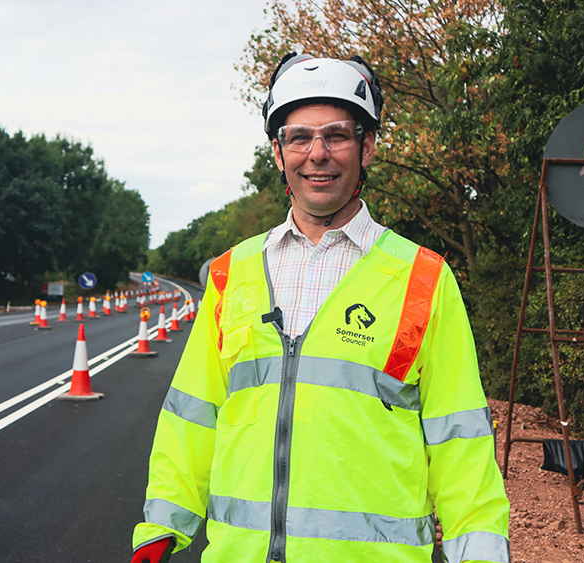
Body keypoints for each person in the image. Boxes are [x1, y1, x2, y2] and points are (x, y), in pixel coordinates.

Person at [130, 53, 510, 563]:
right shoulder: (230, 274)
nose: (318, 153)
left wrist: (482, 552)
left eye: (337, 135)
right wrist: (162, 525)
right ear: (278, 150)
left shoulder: (423, 279)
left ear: (367, 147)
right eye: (299, 137)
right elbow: (192, 416)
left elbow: (459, 435)